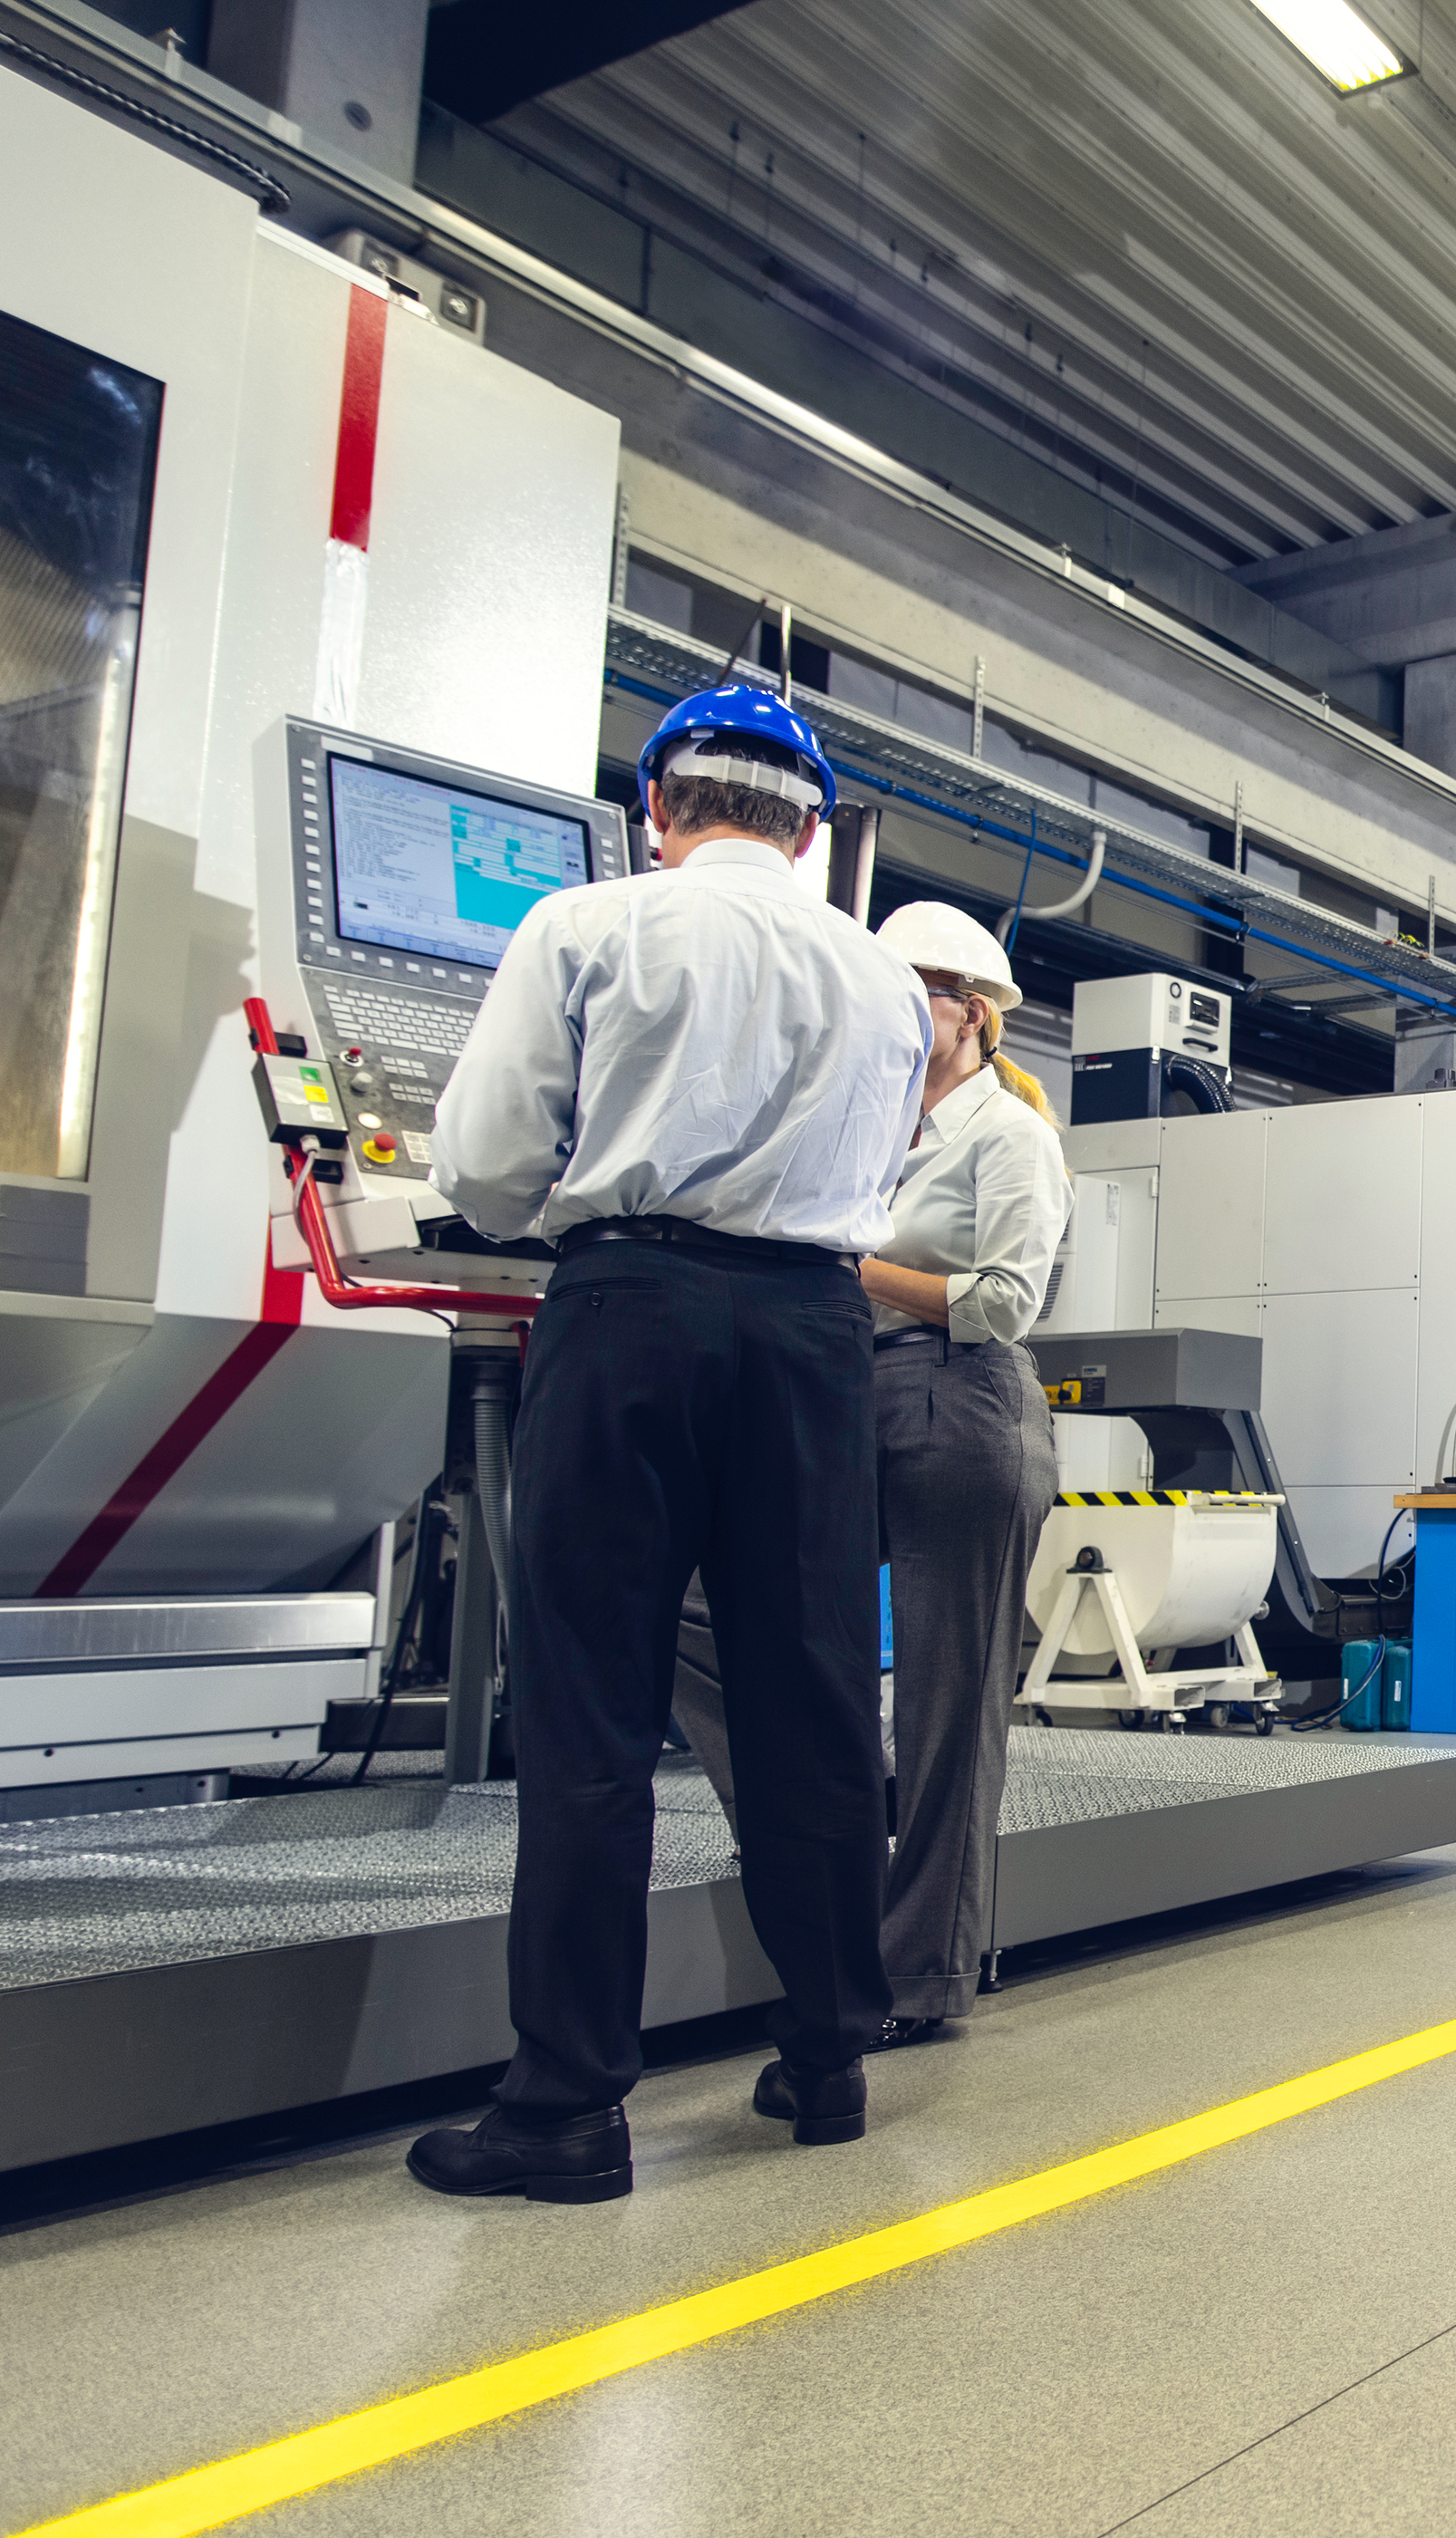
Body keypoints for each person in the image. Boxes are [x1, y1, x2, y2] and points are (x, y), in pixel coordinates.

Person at [412, 685, 927, 2203]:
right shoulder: (887, 983)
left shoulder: (586, 929)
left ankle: (567, 2107)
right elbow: (875, 1178)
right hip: (815, 1333)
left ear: (659, 810)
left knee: (592, 1713)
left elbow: (490, 1169)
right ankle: (830, 2051)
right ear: (814, 828)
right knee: (813, 1697)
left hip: (632, 1308)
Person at [853, 901, 1069, 2045]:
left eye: (911, 994)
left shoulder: (1011, 1136)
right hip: (853, 1393)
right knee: (706, 1610)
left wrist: (857, 1263)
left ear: (970, 1014)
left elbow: (1000, 1301)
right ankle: (841, 1828)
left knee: (949, 1705)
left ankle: (923, 1974)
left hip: (963, 1396)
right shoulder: (875, 1125)